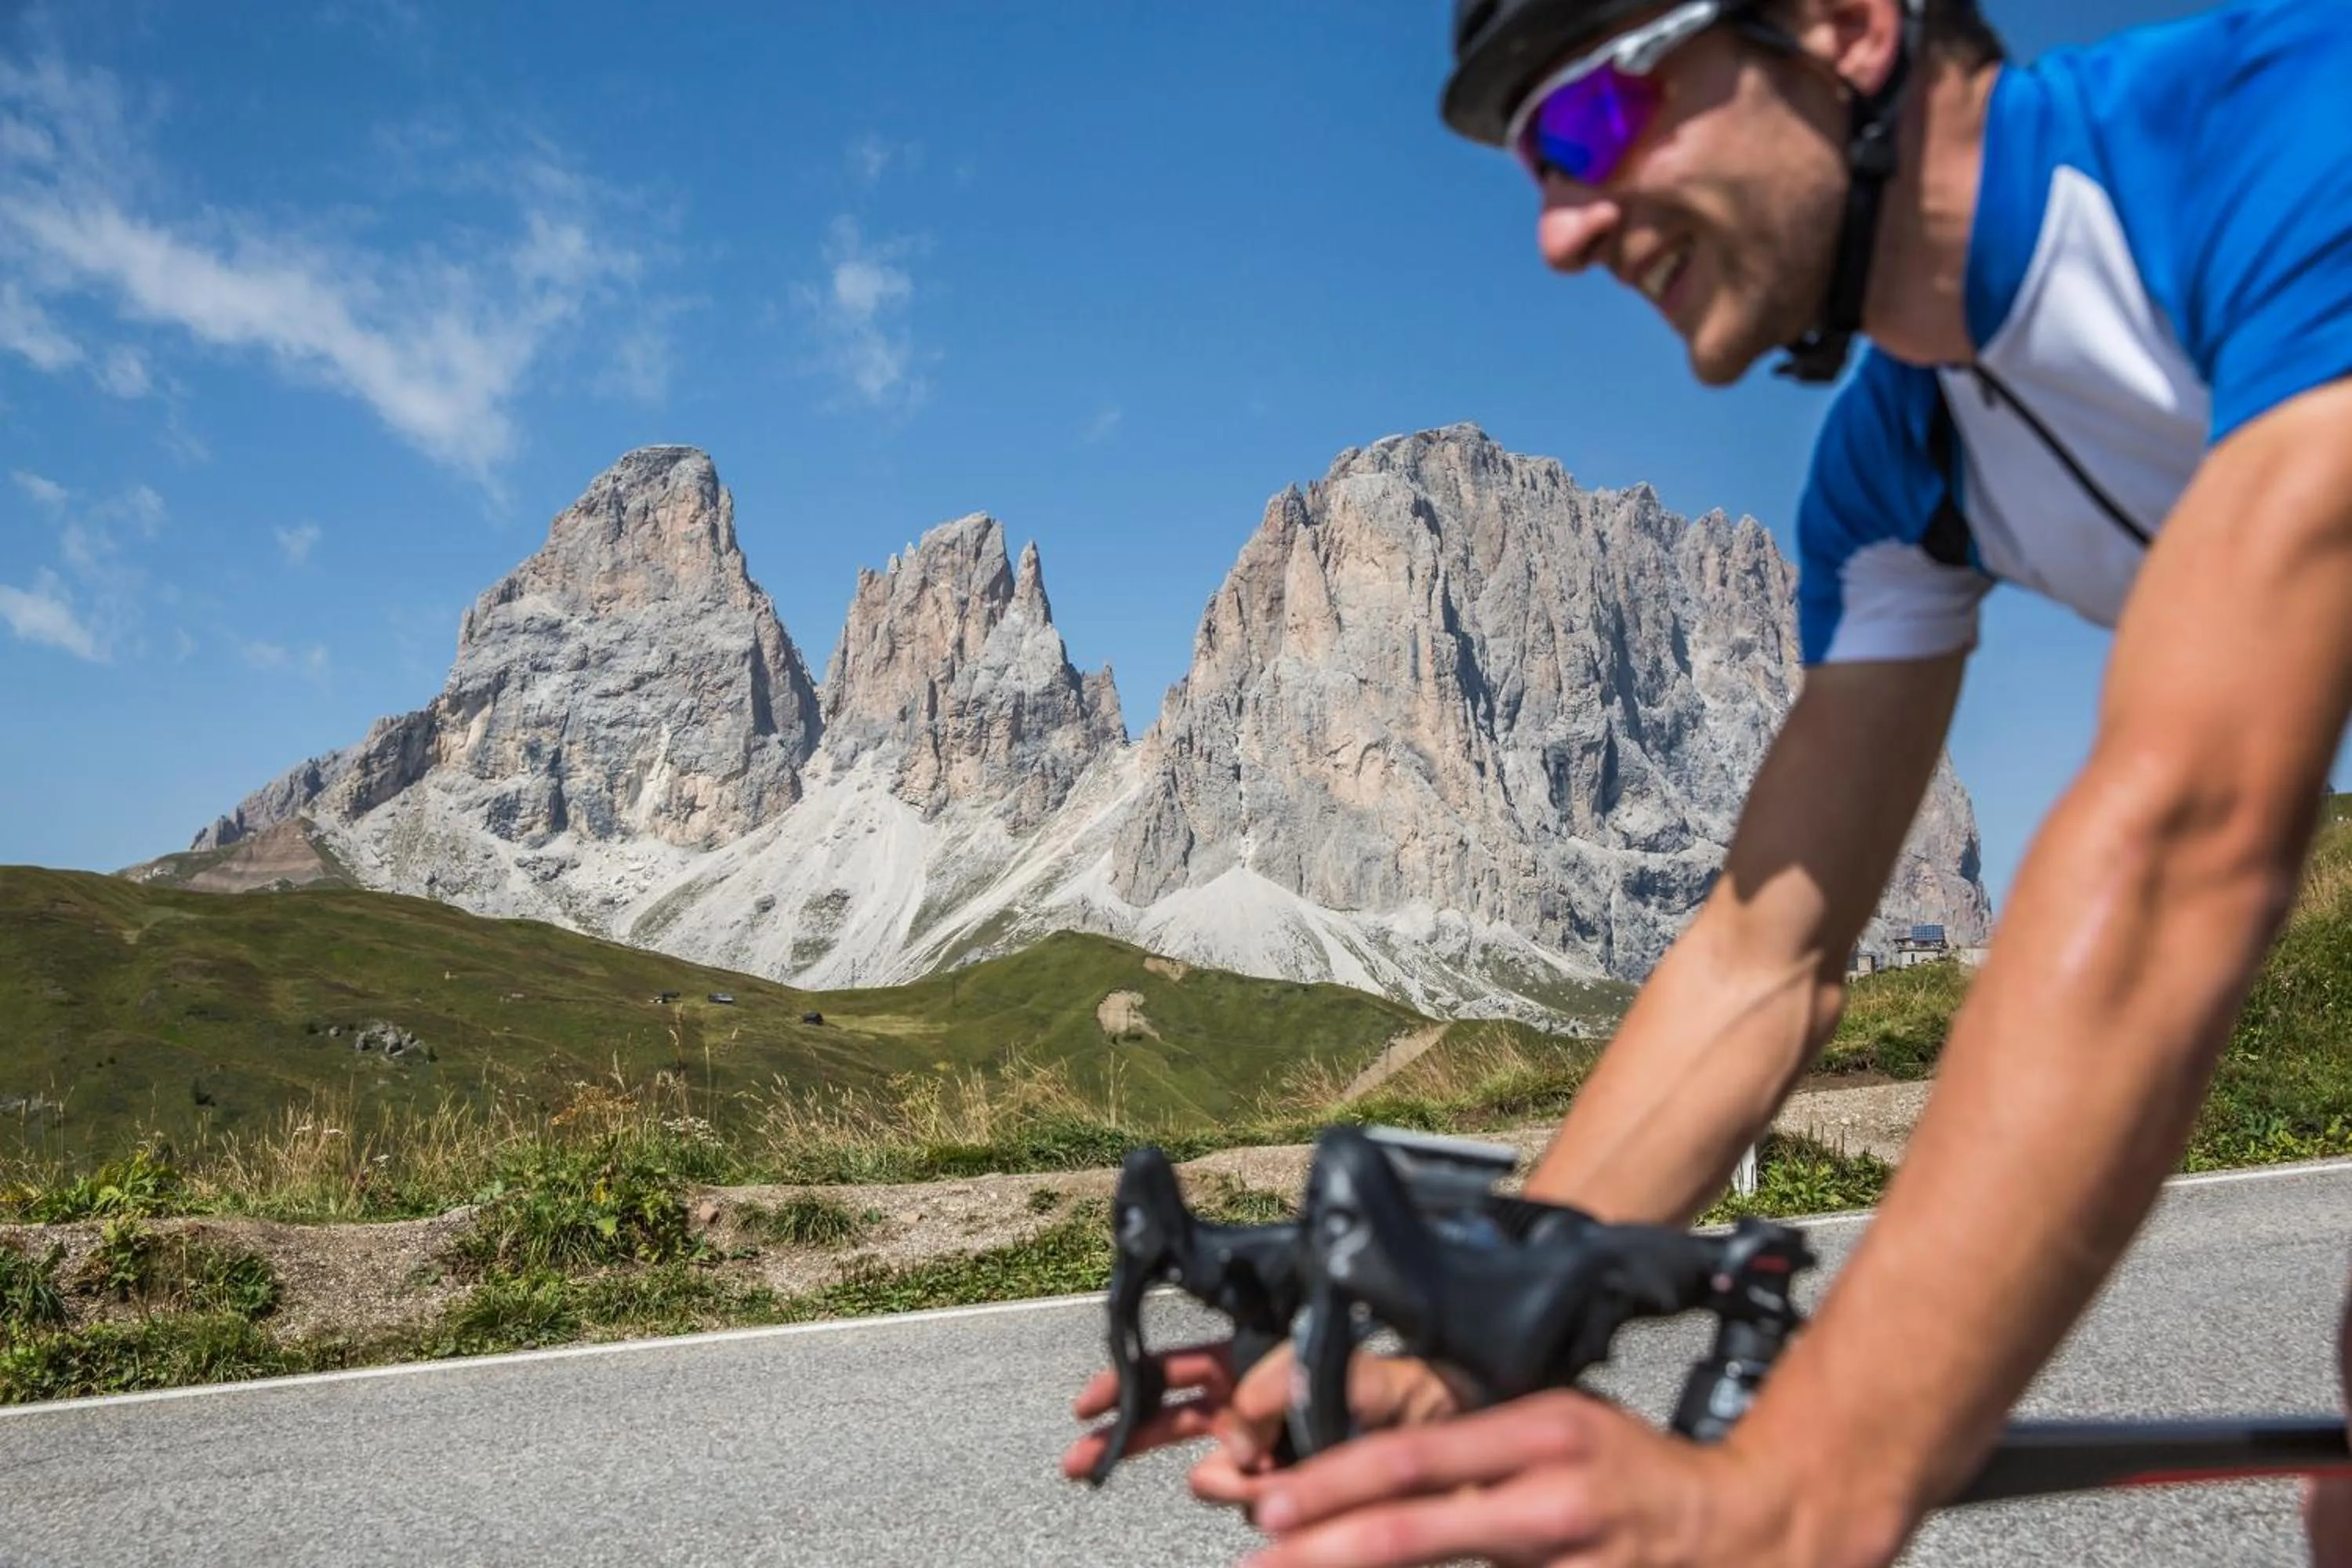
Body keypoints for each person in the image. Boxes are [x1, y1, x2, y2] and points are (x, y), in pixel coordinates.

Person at [1059, 0, 2352, 1560]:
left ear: (1844, 26)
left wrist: (1814, 1476)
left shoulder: (2282, 141)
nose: (1558, 226)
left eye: (1589, 124)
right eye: (1534, 164)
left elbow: (2186, 830)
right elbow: (1765, 955)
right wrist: (1454, 1347)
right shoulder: (1896, 464)